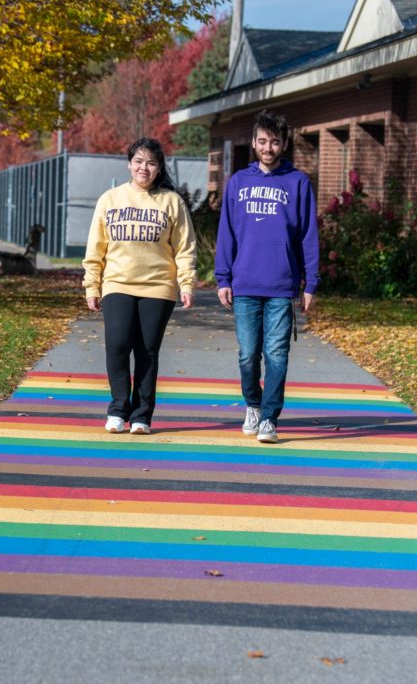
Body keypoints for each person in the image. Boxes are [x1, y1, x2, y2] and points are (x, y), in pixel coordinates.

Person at [215, 109, 319, 444]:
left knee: (277, 354)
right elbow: (226, 233)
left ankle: (270, 418)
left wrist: (310, 283)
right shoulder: (238, 182)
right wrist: (223, 278)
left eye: (275, 142)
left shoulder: (298, 183)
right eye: (262, 141)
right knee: (248, 353)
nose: (268, 147)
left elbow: (308, 236)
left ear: (284, 143)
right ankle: (252, 405)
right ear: (254, 142)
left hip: (282, 286)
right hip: (245, 283)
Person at [82, 137, 196, 435]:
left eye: (151, 162)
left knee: (147, 351)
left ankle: (142, 414)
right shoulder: (110, 199)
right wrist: (91, 286)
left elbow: (185, 248)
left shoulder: (172, 202)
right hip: (117, 283)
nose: (144, 168)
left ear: (159, 168)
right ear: (129, 164)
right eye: (139, 161)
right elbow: (96, 248)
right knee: (118, 346)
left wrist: (186, 283)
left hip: (157, 287)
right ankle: (118, 409)